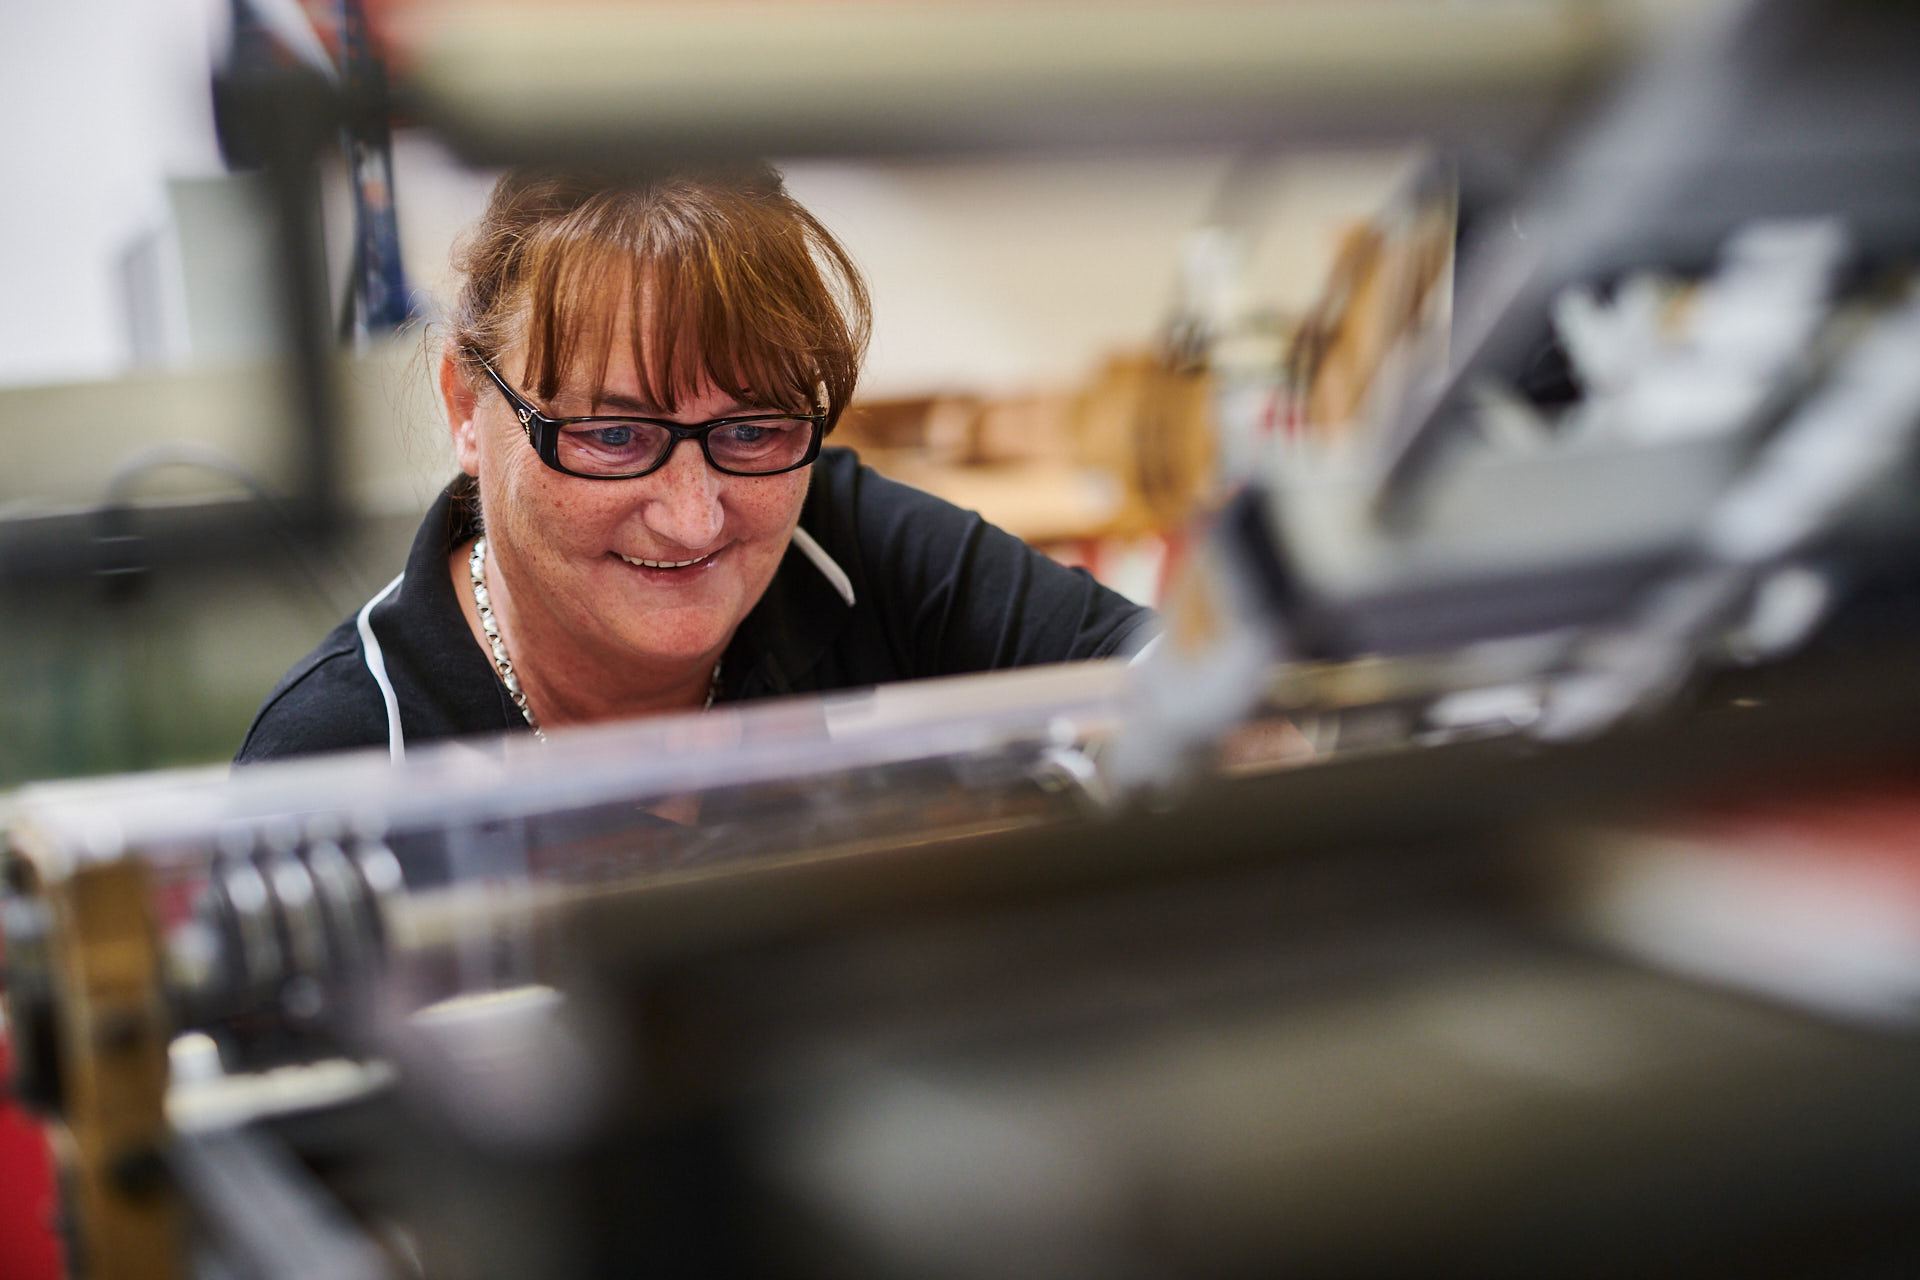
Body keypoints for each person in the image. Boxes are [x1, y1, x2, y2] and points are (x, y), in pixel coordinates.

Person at [237, 165, 1153, 763]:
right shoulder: (346, 754)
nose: (694, 517)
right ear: (466, 408)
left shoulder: (835, 537)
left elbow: (1171, 672)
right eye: (612, 436)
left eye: (751, 431)